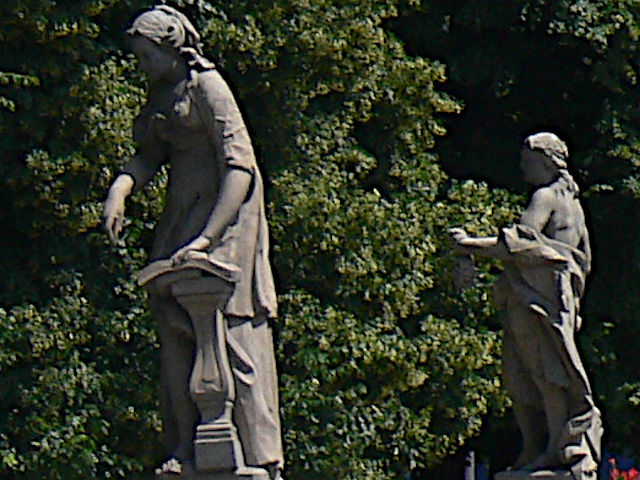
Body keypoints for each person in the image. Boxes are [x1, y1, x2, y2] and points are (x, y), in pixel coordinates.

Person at [103, 6, 283, 479]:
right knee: (175, 332)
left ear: (171, 48)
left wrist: (209, 237)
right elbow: (148, 157)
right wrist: (120, 189)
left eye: (146, 56)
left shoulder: (208, 86)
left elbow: (240, 165)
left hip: (226, 223)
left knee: (229, 333)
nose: (141, 66)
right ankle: (186, 446)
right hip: (180, 221)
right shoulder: (162, 95)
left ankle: (253, 455)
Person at [450, 133, 602, 477]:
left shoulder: (545, 197)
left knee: (542, 375)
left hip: (535, 300)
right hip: (557, 302)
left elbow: (518, 243)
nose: (522, 167)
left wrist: (468, 244)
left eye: (527, 160)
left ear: (546, 161)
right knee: (531, 375)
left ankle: (553, 451)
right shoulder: (574, 206)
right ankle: (539, 449)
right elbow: (583, 260)